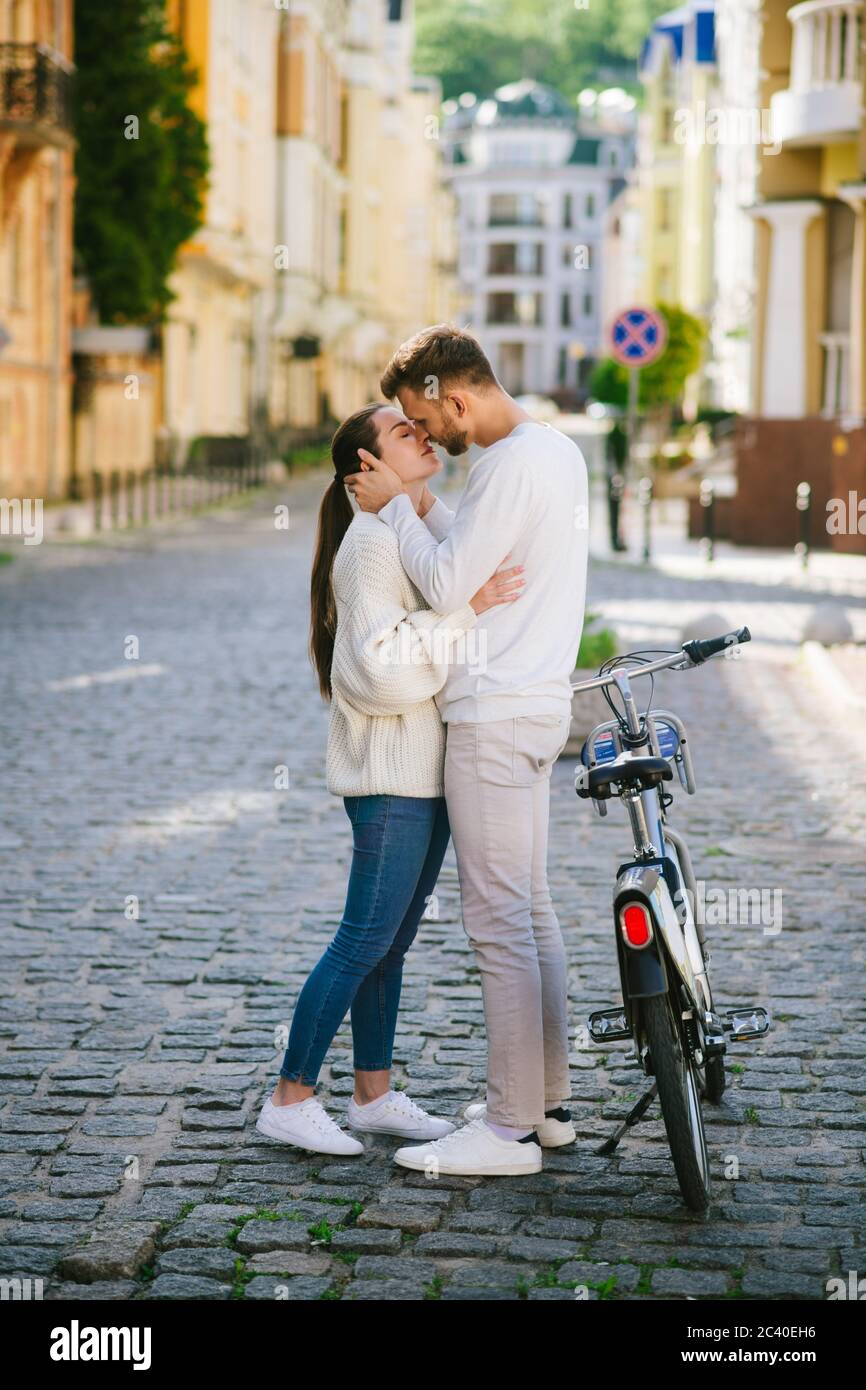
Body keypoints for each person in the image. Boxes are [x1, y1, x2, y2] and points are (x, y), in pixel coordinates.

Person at [345, 325, 589, 1177]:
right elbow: (473, 550)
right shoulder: (552, 451)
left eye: (425, 417)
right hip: (537, 708)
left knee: (496, 925)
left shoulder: (505, 464)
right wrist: (420, 512)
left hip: (490, 715)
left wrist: (389, 513)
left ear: (454, 394)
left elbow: (448, 582)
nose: (431, 436)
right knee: (532, 911)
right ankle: (547, 1106)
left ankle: (509, 1129)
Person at [256, 402, 524, 1155]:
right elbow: (379, 671)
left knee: (390, 945)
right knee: (361, 940)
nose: (426, 436)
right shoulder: (370, 547)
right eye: (404, 433)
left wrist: (429, 527)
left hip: (423, 776)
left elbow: (454, 553)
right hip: (390, 781)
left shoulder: (394, 531)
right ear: (364, 470)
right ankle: (290, 1096)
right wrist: (466, 613)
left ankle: (372, 1096)